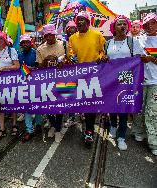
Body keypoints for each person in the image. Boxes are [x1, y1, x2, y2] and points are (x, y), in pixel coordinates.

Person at [68, 11, 106, 147]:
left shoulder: (97, 35)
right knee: (83, 104)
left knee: (91, 104)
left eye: (83, 20)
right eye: (78, 20)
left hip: (95, 76)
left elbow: (103, 51)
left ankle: (89, 131)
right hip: (79, 77)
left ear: (88, 22)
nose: (79, 22)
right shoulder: (72, 38)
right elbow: (71, 54)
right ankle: (86, 123)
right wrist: (70, 58)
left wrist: (101, 57)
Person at [104, 15, 133, 150]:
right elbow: (105, 59)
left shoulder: (132, 42)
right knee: (112, 105)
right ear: (114, 28)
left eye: (124, 24)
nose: (122, 26)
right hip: (111, 78)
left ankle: (121, 136)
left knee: (123, 107)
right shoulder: (108, 43)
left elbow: (138, 59)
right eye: (119, 24)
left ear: (127, 27)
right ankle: (113, 126)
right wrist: (103, 58)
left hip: (126, 77)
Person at [132, 13, 157, 156]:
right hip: (140, 82)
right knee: (139, 109)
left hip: (155, 83)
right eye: (146, 24)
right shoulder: (138, 40)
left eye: (152, 23)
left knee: (152, 113)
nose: (150, 26)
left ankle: (153, 142)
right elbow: (133, 60)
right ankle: (138, 132)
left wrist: (151, 59)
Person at [36, 24, 66, 142]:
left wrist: (62, 61)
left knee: (60, 105)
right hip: (46, 81)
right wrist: (45, 61)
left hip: (62, 80)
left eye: (51, 35)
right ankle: (53, 125)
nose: (49, 38)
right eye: (46, 35)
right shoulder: (40, 49)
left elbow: (70, 60)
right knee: (47, 105)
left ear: (55, 34)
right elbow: (39, 67)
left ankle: (58, 129)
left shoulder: (63, 44)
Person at [0, 31, 20, 141]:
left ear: (3, 41)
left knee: (12, 103)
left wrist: (4, 68)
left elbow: (17, 66)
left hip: (11, 82)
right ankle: (2, 128)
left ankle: (14, 124)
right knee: (0, 105)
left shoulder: (11, 51)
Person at [18, 34, 43, 142]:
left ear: (30, 42)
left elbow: (41, 67)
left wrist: (31, 68)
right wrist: (24, 70)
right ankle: (29, 130)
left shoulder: (36, 52)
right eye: (23, 43)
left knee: (38, 105)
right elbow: (18, 69)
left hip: (37, 84)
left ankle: (38, 125)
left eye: (26, 42)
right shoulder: (20, 55)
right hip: (25, 85)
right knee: (27, 107)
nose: (25, 44)